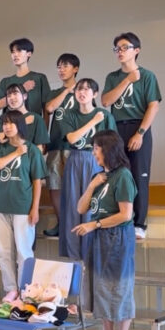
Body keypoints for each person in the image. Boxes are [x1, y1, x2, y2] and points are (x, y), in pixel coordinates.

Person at [72, 130, 136, 330]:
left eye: (96, 148)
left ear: (107, 149)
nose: (93, 153)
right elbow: (81, 208)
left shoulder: (124, 176)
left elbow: (125, 214)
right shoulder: (99, 177)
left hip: (118, 238)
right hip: (99, 239)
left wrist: (95, 224)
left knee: (119, 288)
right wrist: (91, 186)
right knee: (100, 287)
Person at [101, 32, 161, 240]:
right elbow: (106, 101)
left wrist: (141, 133)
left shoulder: (147, 76)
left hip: (138, 127)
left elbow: (153, 106)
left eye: (125, 47)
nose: (120, 51)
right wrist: (127, 80)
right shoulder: (113, 77)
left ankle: (139, 223)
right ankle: (120, 217)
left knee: (139, 176)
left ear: (136, 50)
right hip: (116, 128)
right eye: (117, 48)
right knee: (117, 175)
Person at [59, 79, 116, 270]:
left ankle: (93, 258)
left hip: (98, 162)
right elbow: (72, 138)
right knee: (74, 208)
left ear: (95, 94)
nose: (82, 93)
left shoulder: (105, 115)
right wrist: (93, 121)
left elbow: (113, 143)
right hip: (75, 161)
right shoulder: (69, 114)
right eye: (79, 89)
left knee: (95, 207)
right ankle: (74, 260)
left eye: (87, 89)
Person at [0, 110, 47, 302]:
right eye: (4, 123)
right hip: (0, 205)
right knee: (4, 251)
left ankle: (25, 289)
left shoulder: (32, 150)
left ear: (20, 125)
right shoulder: (0, 148)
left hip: (23, 206)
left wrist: (35, 208)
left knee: (23, 251)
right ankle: (11, 289)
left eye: (10, 123)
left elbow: (37, 181)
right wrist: (15, 153)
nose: (6, 127)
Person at [43, 53, 80, 236]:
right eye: (59, 66)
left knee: (73, 185)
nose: (61, 69)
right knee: (54, 185)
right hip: (55, 143)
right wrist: (66, 90)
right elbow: (49, 109)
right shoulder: (53, 93)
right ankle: (62, 223)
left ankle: (74, 223)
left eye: (65, 66)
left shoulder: (84, 89)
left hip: (75, 147)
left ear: (76, 69)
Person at [0, 38, 50, 121]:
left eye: (19, 51)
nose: (15, 55)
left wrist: (44, 130)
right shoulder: (6, 81)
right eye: (13, 52)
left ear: (29, 54)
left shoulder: (39, 78)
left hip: (33, 125)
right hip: (11, 127)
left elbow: (46, 107)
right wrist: (22, 89)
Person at [0, 84, 49, 152]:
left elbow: (39, 147)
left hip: (29, 159)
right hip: (8, 158)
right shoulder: (3, 118)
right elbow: (1, 139)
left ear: (24, 96)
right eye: (9, 96)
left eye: (15, 94)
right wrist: (22, 122)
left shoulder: (36, 118)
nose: (12, 98)